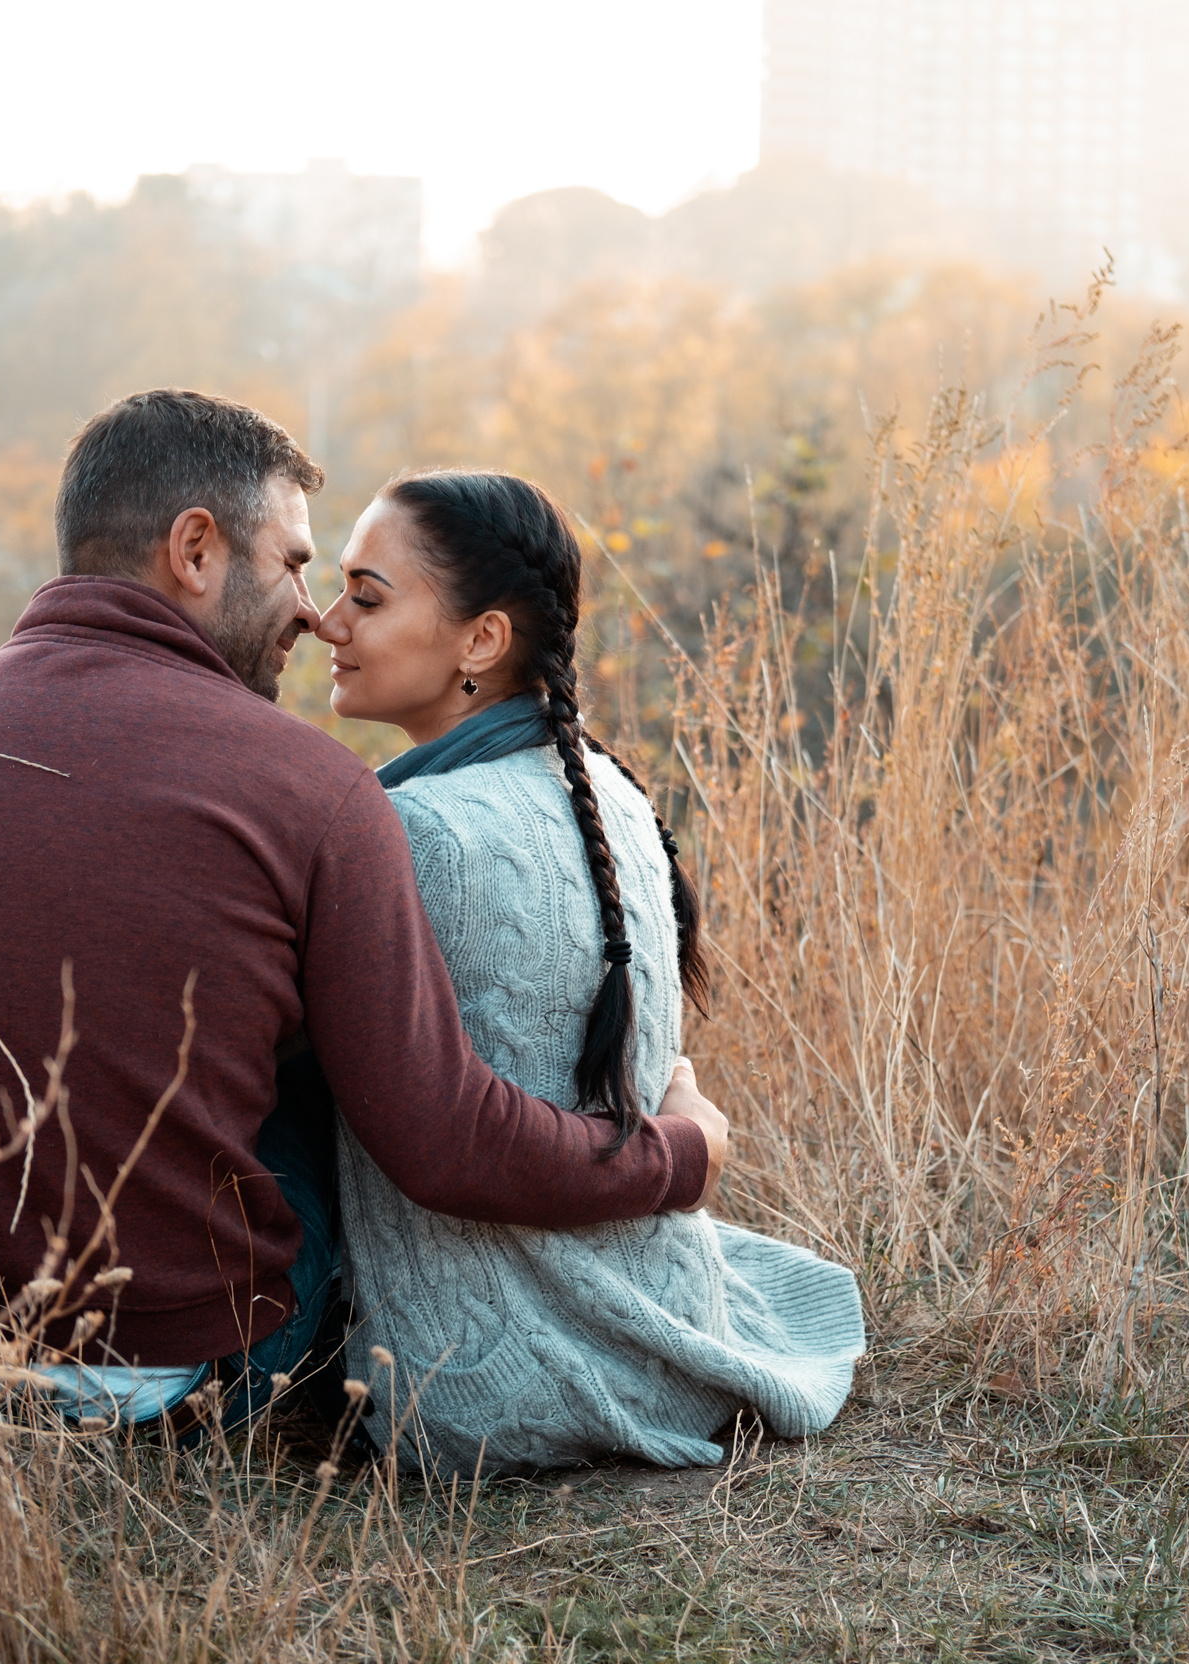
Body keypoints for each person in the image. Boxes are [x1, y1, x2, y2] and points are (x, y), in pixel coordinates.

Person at [0, 392, 728, 1435]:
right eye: (293, 564)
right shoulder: (313, 789)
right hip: (166, 1379)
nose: (309, 610)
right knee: (325, 1072)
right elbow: (444, 1144)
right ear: (195, 548)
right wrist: (676, 1153)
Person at [317, 470, 864, 1475]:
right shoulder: (608, 788)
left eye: (366, 593)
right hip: (659, 1321)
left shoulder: (418, 831)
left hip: (472, 1387)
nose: (325, 619)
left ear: (480, 641)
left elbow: (435, 1137)